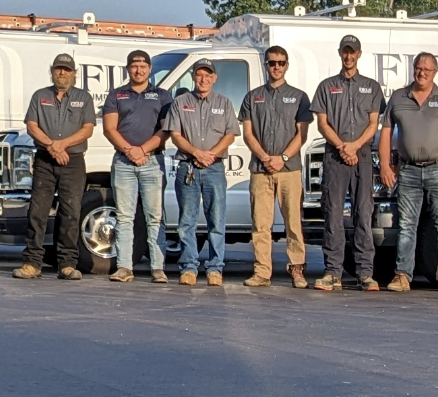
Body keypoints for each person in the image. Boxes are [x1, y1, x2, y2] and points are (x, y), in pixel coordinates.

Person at [380, 53, 438, 293]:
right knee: (407, 225)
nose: (422, 73)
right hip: (407, 170)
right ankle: (402, 275)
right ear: (413, 69)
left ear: (435, 72)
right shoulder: (398, 97)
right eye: (418, 68)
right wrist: (386, 166)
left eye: (427, 70)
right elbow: (386, 133)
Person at [309, 35, 384, 292]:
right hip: (334, 156)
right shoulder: (326, 86)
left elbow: (373, 124)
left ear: (359, 54)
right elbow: (322, 123)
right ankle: (333, 272)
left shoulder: (372, 87)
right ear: (340, 53)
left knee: (363, 214)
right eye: (345, 52)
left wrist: (354, 146)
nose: (348, 56)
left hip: (361, 156)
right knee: (333, 214)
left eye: (353, 52)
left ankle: (365, 273)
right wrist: (343, 146)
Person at [12, 53, 96, 281]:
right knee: (37, 212)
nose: (62, 73)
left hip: (74, 161)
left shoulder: (84, 98)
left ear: (74, 73)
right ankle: (32, 263)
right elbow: (31, 126)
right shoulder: (40, 96)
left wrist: (63, 146)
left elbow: (88, 129)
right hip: (45, 160)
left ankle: (67, 264)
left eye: (67, 70)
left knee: (70, 212)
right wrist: (52, 147)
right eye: (59, 69)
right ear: (52, 71)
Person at [239, 46, 314, 289]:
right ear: (266, 64)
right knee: (261, 224)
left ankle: (297, 269)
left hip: (289, 169)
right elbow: (248, 133)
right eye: (272, 63)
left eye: (281, 63)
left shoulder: (300, 96)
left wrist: (281, 157)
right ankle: (262, 272)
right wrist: (264, 157)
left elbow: (301, 134)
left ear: (287, 65)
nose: (277, 67)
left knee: (293, 222)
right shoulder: (252, 97)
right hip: (260, 170)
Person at [164, 58, 240, 287]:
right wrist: (197, 152)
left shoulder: (224, 103)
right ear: (193, 76)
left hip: (214, 168)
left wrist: (211, 154)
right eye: (199, 75)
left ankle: (215, 268)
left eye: (208, 75)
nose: (203, 79)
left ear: (215, 78)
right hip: (188, 166)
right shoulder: (180, 102)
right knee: (186, 221)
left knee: (216, 220)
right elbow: (175, 134)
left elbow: (230, 134)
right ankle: (189, 266)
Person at [102, 50, 173, 284]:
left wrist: (142, 150)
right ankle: (124, 267)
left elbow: (166, 130)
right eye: (134, 66)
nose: (139, 70)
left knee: (155, 217)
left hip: (153, 162)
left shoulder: (163, 96)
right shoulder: (116, 95)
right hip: (123, 162)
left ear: (150, 69)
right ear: (127, 68)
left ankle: (158, 268)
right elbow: (110, 129)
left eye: (143, 66)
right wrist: (130, 151)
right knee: (124, 217)